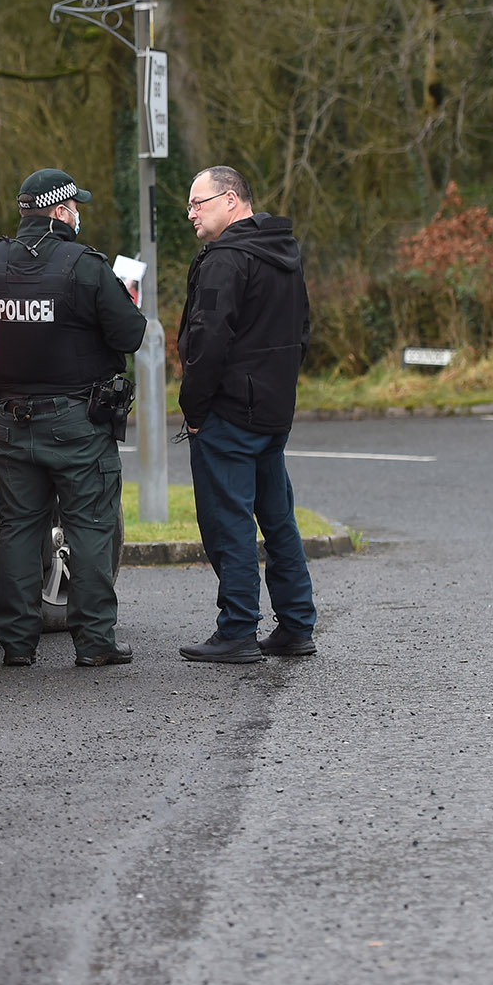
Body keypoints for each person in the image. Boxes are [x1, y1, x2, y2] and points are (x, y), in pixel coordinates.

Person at [0, 168, 146, 667]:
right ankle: (94, 644)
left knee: (19, 531)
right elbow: (130, 334)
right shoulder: (86, 267)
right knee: (89, 528)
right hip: (78, 423)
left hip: (10, 421)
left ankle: (17, 646)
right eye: (77, 207)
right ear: (63, 211)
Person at [177, 165, 317, 663]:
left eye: (199, 202)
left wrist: (193, 409)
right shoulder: (285, 254)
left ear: (231, 200)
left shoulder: (225, 260)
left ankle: (237, 630)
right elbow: (302, 332)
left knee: (228, 521)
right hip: (273, 411)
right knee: (277, 518)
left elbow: (206, 342)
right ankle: (297, 624)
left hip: (228, 413)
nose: (190, 212)